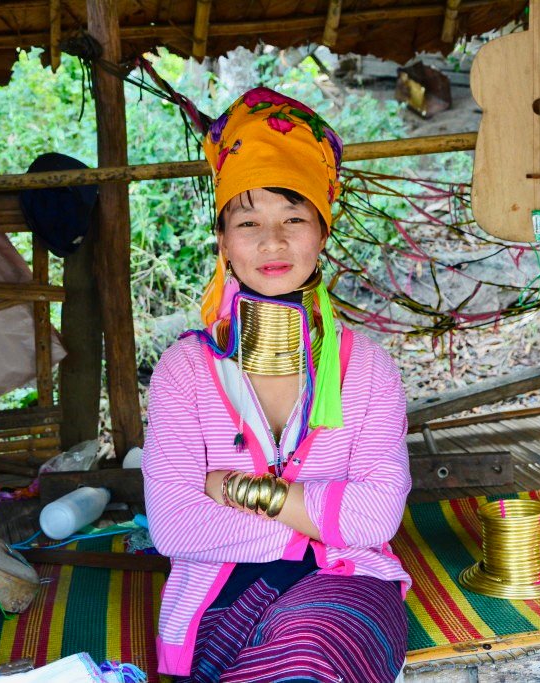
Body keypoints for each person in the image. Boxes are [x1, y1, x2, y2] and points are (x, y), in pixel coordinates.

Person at [142, 87, 411, 683]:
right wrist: (313, 523)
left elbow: (377, 519)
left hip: (348, 588)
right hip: (215, 602)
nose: (273, 242)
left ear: (321, 235)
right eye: (249, 222)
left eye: (294, 218)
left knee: (310, 653)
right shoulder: (184, 373)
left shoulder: (368, 370)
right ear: (224, 244)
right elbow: (173, 523)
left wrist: (234, 489)